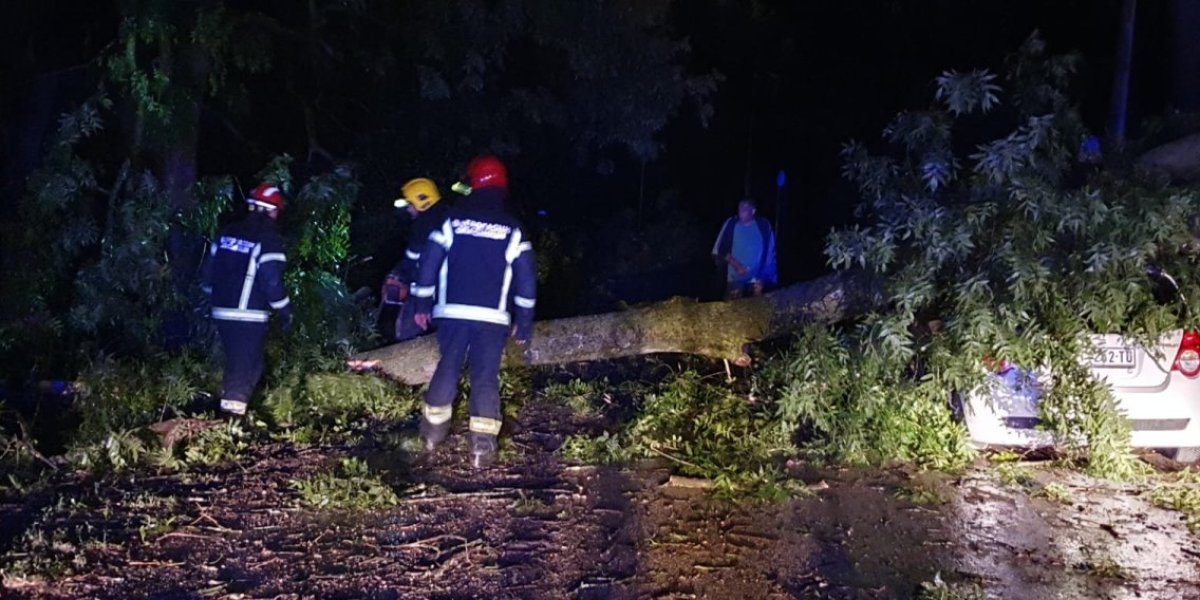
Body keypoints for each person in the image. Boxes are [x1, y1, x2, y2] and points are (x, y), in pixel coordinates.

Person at [411, 155, 536, 468]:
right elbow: (526, 280)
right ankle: (481, 447)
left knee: (448, 368)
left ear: (473, 185)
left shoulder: (451, 220)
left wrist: (421, 304)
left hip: (452, 313)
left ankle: (431, 435)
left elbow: (429, 263)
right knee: (485, 377)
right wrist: (524, 322)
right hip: (493, 318)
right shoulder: (514, 229)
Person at [200, 183, 293, 418]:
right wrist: (285, 311)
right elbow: (272, 282)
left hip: (221, 310)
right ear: (273, 211)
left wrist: (214, 297)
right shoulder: (268, 239)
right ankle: (231, 424)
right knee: (244, 369)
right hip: (249, 314)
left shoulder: (227, 232)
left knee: (247, 364)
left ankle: (228, 414)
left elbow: (207, 274)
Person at [381, 177, 448, 342]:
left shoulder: (423, 226)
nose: (409, 210)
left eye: (410, 205)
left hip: (432, 295)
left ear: (422, 202)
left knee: (407, 334)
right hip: (453, 295)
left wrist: (395, 278)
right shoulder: (449, 217)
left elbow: (412, 265)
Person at [711, 198, 778, 299]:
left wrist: (765, 278)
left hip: (757, 278)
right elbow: (721, 249)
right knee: (731, 309)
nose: (741, 210)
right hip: (735, 278)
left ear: (753, 211)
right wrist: (737, 265)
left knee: (757, 309)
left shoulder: (763, 225)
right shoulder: (731, 224)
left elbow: (770, 252)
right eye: (740, 207)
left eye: (745, 208)